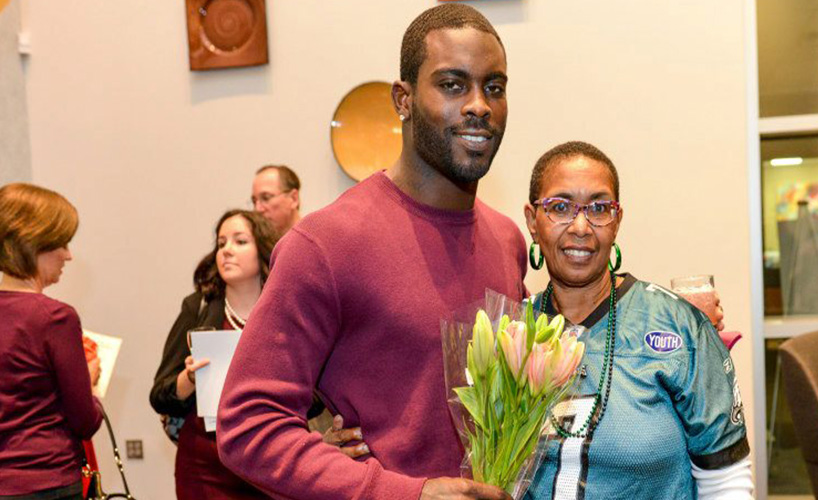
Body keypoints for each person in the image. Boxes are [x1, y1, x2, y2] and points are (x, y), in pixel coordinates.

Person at [217, 5, 524, 499]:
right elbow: (249, 427)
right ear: (402, 99)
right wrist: (404, 493)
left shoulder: (506, 240)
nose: (478, 105)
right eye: (451, 84)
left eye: (494, 87)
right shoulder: (327, 244)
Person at [521, 142, 753, 499]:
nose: (581, 226)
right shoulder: (513, 332)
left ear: (617, 222)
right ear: (532, 221)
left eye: (599, 208)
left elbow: (725, 479)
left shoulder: (680, 326)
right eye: (560, 207)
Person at [150, 210, 281, 499]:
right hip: (205, 465)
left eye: (240, 241)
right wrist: (190, 378)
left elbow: (314, 398)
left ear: (262, 248)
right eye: (221, 243)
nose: (227, 251)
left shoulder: (283, 310)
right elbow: (160, 394)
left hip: (272, 460)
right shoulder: (197, 307)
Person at [0, 183, 103, 499]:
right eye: (62, 242)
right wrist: (90, 382)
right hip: (46, 479)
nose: (68, 255)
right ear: (35, 243)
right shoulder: (54, 318)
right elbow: (85, 421)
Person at [251, 165, 302, 235]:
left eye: (266, 198)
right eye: (254, 201)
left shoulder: (315, 241)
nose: (257, 209)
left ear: (294, 198)